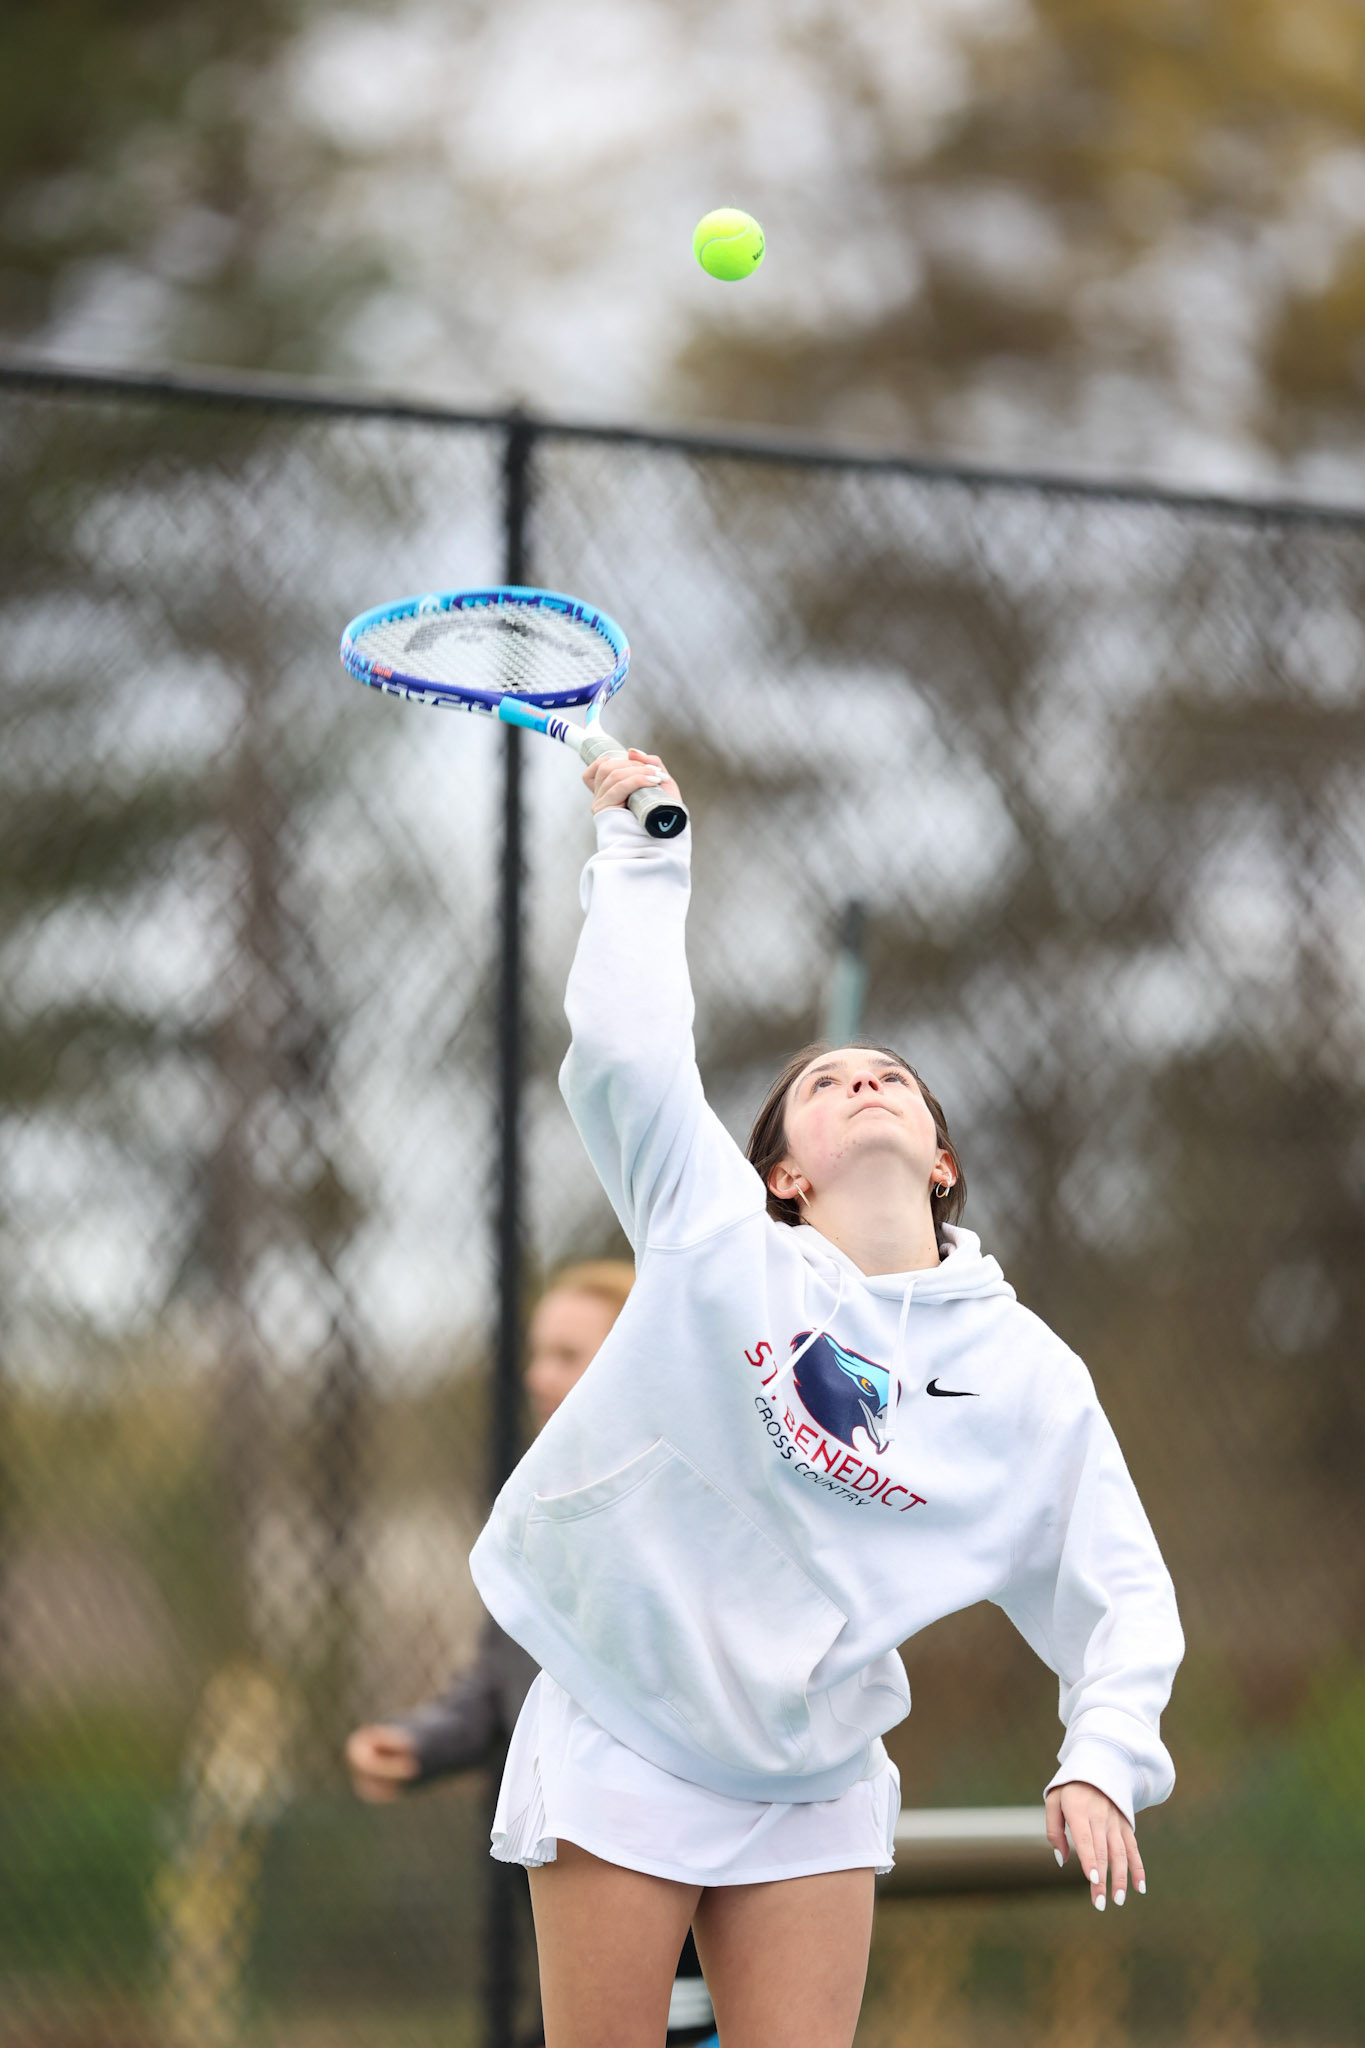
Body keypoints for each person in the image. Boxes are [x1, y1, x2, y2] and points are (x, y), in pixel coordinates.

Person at [467, 745, 1186, 2048]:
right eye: (823, 1079)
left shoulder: (1027, 1375)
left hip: (810, 1771)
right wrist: (641, 848)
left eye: (893, 1076)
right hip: (628, 1720)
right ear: (780, 1171)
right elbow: (628, 1051)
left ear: (944, 1159)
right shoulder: (711, 1243)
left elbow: (1118, 1592)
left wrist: (1102, 1755)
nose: (864, 1078)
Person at [345, 1263, 719, 2047]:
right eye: (537, 1351)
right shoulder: (536, 1497)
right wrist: (417, 1745)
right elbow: (501, 1680)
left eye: (565, 1353)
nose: (537, 1374)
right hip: (568, 1879)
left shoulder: (699, 1496)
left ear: (634, 1356)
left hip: (683, 1878)